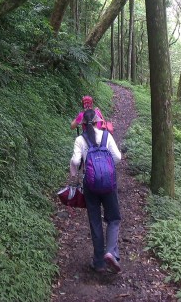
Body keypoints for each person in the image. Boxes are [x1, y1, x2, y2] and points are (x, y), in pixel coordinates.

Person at [69, 108, 122, 273]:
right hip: (109, 185)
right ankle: (111, 252)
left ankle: (98, 262)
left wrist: (74, 173)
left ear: (83, 124)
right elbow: (118, 157)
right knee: (113, 219)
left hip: (90, 186)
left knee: (95, 222)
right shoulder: (107, 136)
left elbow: (76, 160)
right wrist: (107, 169)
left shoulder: (80, 139)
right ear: (98, 122)